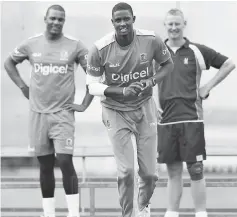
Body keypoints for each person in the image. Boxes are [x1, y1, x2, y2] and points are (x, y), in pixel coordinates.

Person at [76, 2, 173, 217]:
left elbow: (168, 64)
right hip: (115, 111)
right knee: (127, 171)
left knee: (149, 175)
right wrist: (122, 91)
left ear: (133, 19)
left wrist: (152, 81)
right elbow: (92, 86)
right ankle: (128, 215)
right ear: (112, 23)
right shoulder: (99, 49)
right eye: (117, 20)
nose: (122, 24)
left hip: (144, 108)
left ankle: (143, 205)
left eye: (126, 19)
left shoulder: (151, 40)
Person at [4, 5, 94, 217]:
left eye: (60, 19)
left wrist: (84, 104)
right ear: (45, 19)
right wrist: (23, 87)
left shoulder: (75, 46)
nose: (56, 22)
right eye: (53, 18)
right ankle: (49, 213)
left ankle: (74, 213)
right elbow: (9, 63)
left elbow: (95, 74)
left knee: (64, 160)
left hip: (63, 114)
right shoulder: (31, 44)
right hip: (38, 114)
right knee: (44, 165)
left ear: (64, 21)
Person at [155, 8, 235, 217]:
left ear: (184, 24)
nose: (173, 27)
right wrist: (149, 105)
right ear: (165, 25)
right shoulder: (155, 53)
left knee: (196, 170)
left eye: (177, 23)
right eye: (170, 24)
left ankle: (201, 213)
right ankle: (171, 213)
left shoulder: (196, 51)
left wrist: (207, 87)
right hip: (165, 121)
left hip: (192, 119)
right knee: (173, 172)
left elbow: (229, 63)